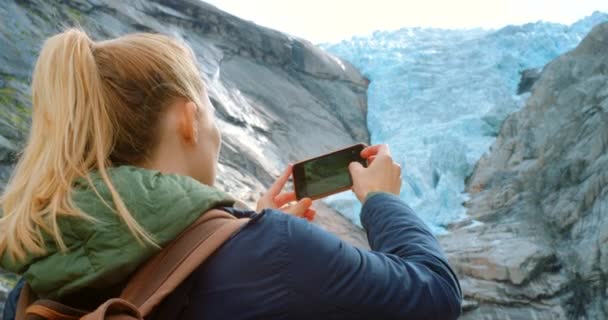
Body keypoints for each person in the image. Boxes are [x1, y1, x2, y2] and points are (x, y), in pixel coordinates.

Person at [0, 28, 461, 320]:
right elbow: (435, 295)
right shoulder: (273, 251)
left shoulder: (33, 283)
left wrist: (235, 231)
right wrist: (383, 201)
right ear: (188, 119)